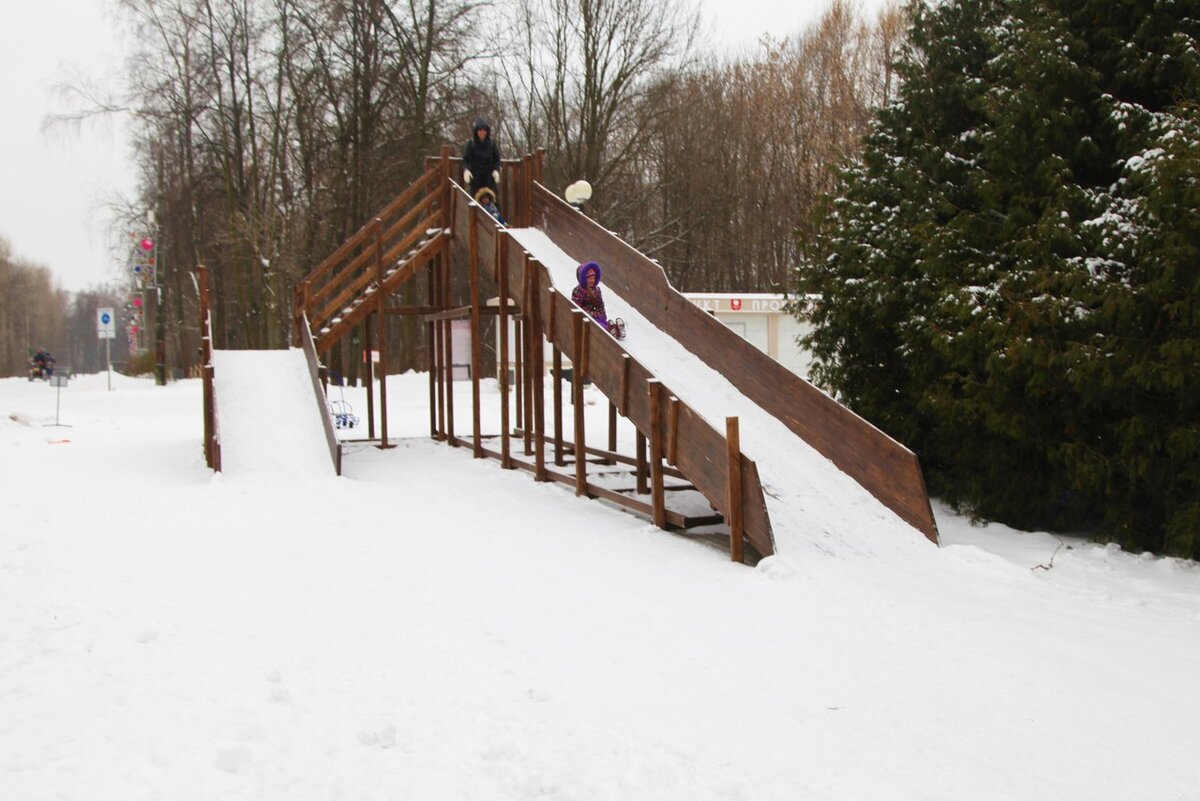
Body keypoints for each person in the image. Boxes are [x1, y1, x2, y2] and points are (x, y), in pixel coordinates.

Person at [571, 261, 625, 339]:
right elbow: (577, 308)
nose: (592, 280)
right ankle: (610, 331)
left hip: (597, 316)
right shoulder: (578, 291)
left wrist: (603, 315)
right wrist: (593, 314)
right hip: (586, 318)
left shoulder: (596, 290)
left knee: (603, 322)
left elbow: (600, 304)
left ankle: (617, 330)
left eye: (593, 278)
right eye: (589, 278)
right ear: (583, 278)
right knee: (599, 326)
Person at [461, 117, 500, 200]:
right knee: (475, 201)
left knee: (492, 200)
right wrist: (466, 170)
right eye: (480, 130)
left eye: (484, 130)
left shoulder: (492, 143)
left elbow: (497, 159)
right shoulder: (471, 144)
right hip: (476, 178)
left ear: (487, 131)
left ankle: (493, 213)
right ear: (476, 131)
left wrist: (496, 170)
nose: (482, 133)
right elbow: (466, 159)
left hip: (489, 178)